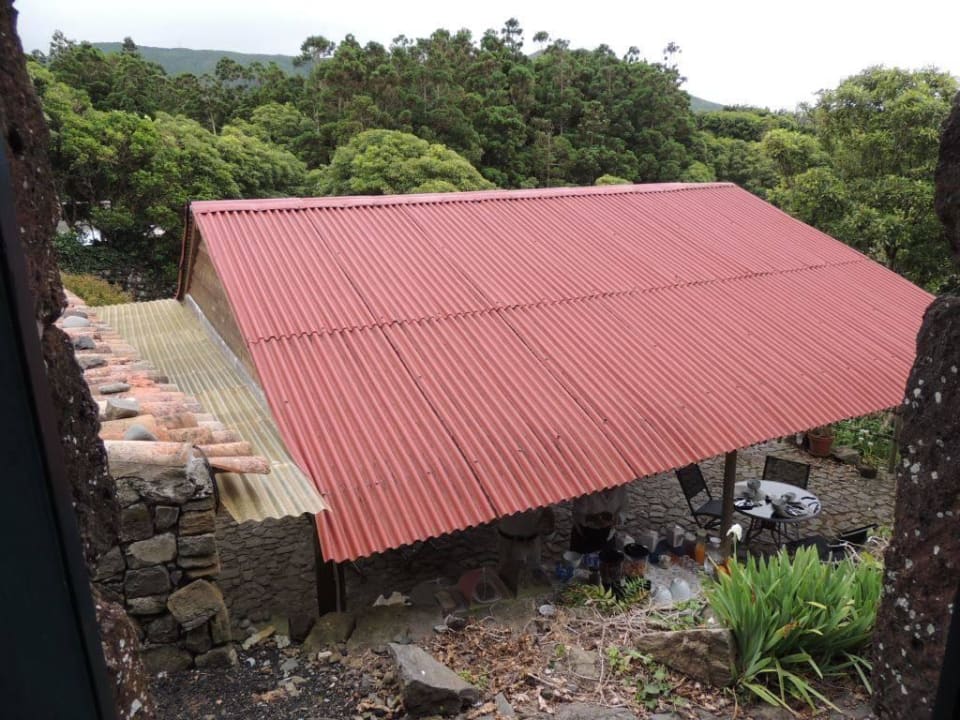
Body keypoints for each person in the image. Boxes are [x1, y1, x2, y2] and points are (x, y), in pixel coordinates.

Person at [496, 507, 555, 593]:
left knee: (534, 571)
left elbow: (548, 510)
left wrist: (548, 527)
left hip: (532, 539)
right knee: (508, 575)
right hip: (509, 539)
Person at [570, 485, 628, 554]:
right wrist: (593, 518)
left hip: (608, 535)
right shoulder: (586, 488)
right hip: (584, 536)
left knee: (607, 560)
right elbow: (577, 514)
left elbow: (623, 510)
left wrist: (615, 519)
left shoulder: (621, 488)